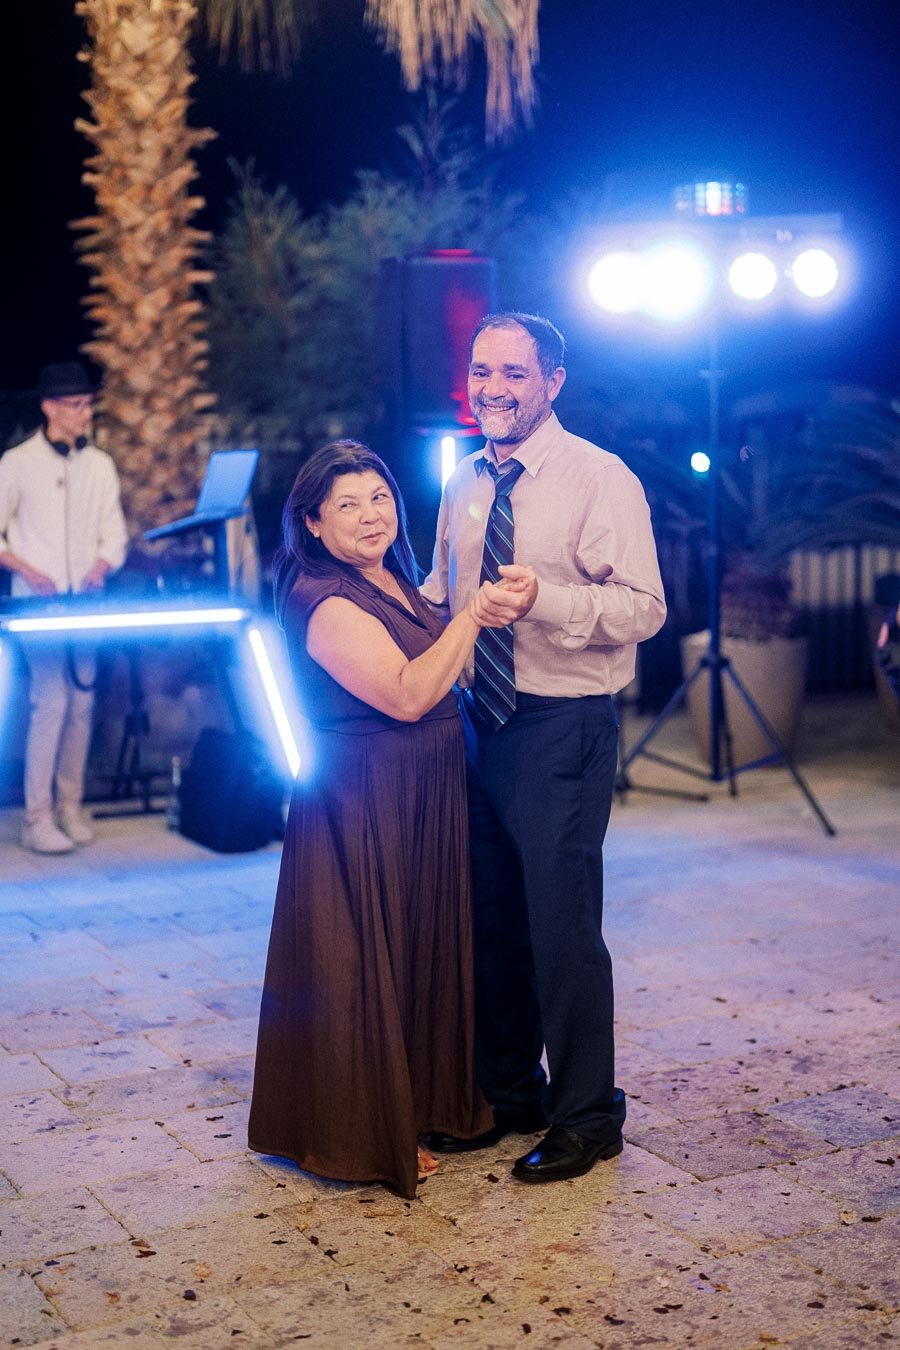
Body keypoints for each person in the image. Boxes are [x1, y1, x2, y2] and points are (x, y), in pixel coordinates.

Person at [247, 439, 533, 1198]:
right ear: (311, 523)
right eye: (347, 505)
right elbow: (407, 694)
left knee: (417, 949)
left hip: (421, 791)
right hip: (365, 797)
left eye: (378, 497)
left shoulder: (392, 577)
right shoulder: (326, 598)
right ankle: (363, 1132)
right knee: (361, 960)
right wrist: (471, 615)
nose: (370, 515)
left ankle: (424, 1105)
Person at [421, 312, 666, 1183]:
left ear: (552, 382)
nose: (493, 388)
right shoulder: (462, 478)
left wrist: (548, 601)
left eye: (514, 374)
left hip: (560, 727)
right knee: (491, 921)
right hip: (474, 724)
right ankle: (510, 1097)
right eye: (482, 371)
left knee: (562, 929)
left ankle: (589, 1116)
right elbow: (444, 595)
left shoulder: (602, 478)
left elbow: (645, 608)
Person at [0, 361, 127, 854]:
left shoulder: (100, 465)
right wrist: (27, 570)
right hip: (38, 607)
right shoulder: (16, 462)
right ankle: (36, 817)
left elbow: (113, 532)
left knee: (80, 704)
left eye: (89, 403)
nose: (86, 412)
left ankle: (69, 807)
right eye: (77, 404)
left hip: (86, 606)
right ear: (49, 407)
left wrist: (101, 563)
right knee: (50, 703)